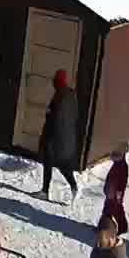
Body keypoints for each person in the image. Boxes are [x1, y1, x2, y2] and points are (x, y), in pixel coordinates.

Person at [38, 69, 81, 201]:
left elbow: (51, 119)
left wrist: (45, 138)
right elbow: (74, 116)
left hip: (54, 138)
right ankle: (74, 186)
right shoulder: (71, 96)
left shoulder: (58, 97)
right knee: (63, 165)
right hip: (67, 138)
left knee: (48, 162)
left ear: (57, 82)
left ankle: (45, 192)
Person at [100, 144, 129, 242]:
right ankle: (104, 225)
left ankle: (122, 226)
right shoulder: (116, 165)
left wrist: (118, 194)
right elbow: (110, 178)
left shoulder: (123, 166)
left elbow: (122, 182)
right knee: (108, 209)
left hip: (116, 193)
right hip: (111, 191)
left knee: (116, 209)